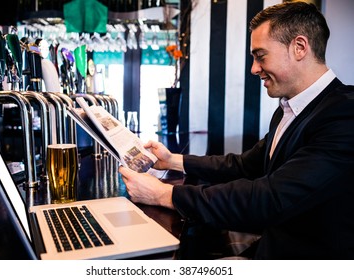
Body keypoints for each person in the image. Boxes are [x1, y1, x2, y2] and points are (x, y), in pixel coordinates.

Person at [119, 1, 354, 259]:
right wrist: (172, 160)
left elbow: (270, 199)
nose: (254, 68)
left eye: (260, 56)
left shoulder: (344, 115)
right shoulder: (289, 109)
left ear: (299, 47)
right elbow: (243, 165)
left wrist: (164, 194)